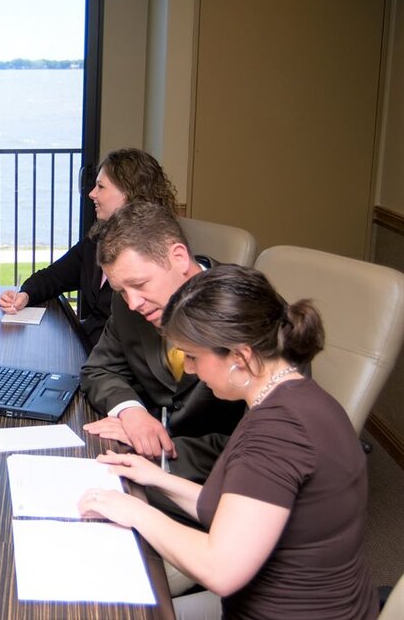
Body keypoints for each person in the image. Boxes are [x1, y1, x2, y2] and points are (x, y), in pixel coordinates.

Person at [79, 265, 378, 619]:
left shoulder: (275, 433)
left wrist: (136, 512)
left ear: (240, 357)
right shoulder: (298, 397)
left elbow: (220, 568)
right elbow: (239, 507)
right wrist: (157, 477)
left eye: (193, 356)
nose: (189, 369)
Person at [80, 201, 245, 484]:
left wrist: (159, 448)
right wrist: (132, 412)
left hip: (221, 486)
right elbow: (98, 370)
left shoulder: (249, 312)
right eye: (122, 291)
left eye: (140, 285)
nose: (132, 303)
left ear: (179, 257)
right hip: (145, 466)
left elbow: (264, 442)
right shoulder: (129, 304)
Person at [0, 148, 177, 349]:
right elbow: (53, 277)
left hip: (113, 365)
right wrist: (25, 295)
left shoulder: (151, 255)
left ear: (128, 194)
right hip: (89, 351)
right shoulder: (98, 239)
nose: (91, 193)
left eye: (100, 187)